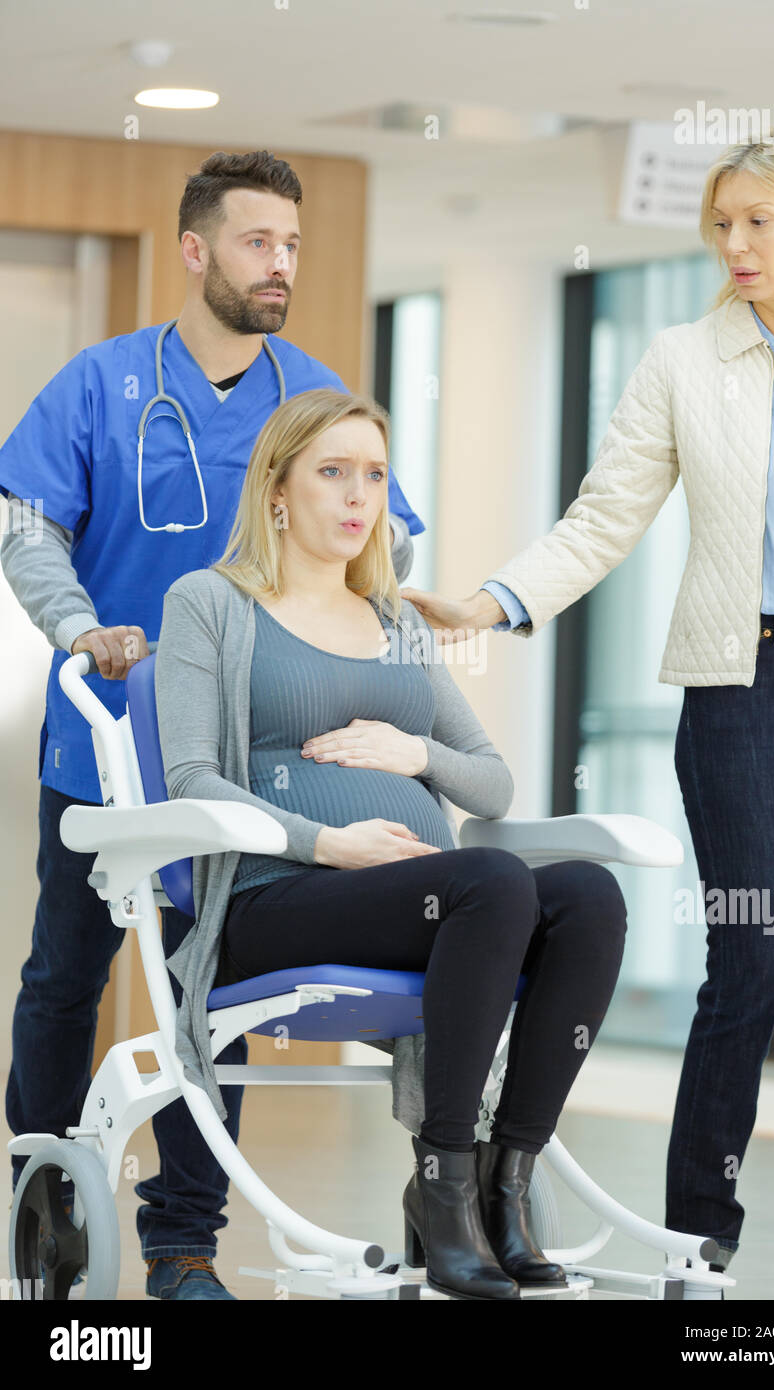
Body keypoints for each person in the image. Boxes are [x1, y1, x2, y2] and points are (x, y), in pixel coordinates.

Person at [400, 128, 774, 1301]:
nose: (734, 245)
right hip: (739, 681)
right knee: (748, 960)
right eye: (719, 225)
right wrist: (492, 602)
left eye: (757, 221)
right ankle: (695, 1244)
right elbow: (603, 516)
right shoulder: (680, 358)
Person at [0, 149, 422, 1300]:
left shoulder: (315, 394)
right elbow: (28, 526)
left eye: (290, 244)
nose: (279, 263)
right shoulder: (101, 383)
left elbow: (377, 542)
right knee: (63, 979)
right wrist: (81, 627)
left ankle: (183, 1246)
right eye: (255, 242)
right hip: (108, 741)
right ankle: (41, 1200)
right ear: (195, 252)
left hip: (252, 762)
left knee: (209, 994)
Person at [153, 385, 629, 1302]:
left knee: (589, 897)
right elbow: (192, 780)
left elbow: (491, 782)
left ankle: (503, 1181)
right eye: (332, 473)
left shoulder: (397, 622)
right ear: (278, 491)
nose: (357, 496)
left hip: (421, 901)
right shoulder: (209, 604)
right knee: (492, 882)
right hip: (272, 900)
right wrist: (330, 844)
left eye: (373, 474)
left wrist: (414, 751)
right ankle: (443, 1182)